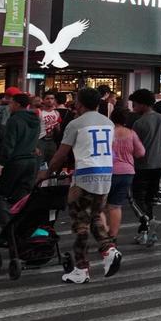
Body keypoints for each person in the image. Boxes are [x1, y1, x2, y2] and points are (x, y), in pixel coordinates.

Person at [48, 88, 121, 284]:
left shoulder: (75, 124)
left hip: (84, 176)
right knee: (95, 215)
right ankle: (108, 250)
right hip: (105, 175)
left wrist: (47, 172)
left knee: (80, 223)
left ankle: (82, 268)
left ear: (79, 103)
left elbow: (61, 154)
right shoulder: (108, 123)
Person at [0, 93, 44, 231]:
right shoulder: (35, 119)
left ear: (18, 104)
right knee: (22, 197)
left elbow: (9, 144)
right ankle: (22, 229)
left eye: (11, 103)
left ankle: (9, 230)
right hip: (31, 161)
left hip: (16, 161)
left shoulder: (14, 120)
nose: (9, 106)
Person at [128, 89, 161, 248]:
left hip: (142, 165)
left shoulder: (139, 123)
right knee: (149, 200)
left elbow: (134, 147)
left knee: (137, 199)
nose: (133, 107)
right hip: (159, 164)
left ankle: (149, 223)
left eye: (135, 104)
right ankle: (145, 232)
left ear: (143, 104)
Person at [104, 107, 143, 247]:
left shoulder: (108, 133)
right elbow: (140, 152)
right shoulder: (131, 133)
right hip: (127, 172)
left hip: (107, 172)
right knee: (115, 206)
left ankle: (104, 235)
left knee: (101, 206)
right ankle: (113, 237)